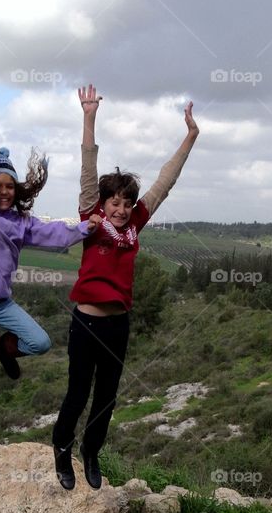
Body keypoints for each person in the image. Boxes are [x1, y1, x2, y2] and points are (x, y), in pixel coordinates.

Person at [52, 84, 199, 490]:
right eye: (113, 202)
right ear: (103, 202)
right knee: (78, 393)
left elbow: (164, 183)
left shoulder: (135, 225)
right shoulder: (91, 218)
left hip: (119, 324)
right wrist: (89, 116)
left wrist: (189, 137)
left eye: (126, 203)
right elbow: (87, 166)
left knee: (107, 398)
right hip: (87, 323)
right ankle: (62, 447)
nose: (119, 209)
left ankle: (91, 452)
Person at [0, 84, 98, 380]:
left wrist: (84, 228)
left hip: (2, 303)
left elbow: (55, 235)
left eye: (9, 186)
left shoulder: (23, 223)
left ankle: (4, 346)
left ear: (16, 189)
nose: (4, 191)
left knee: (40, 342)